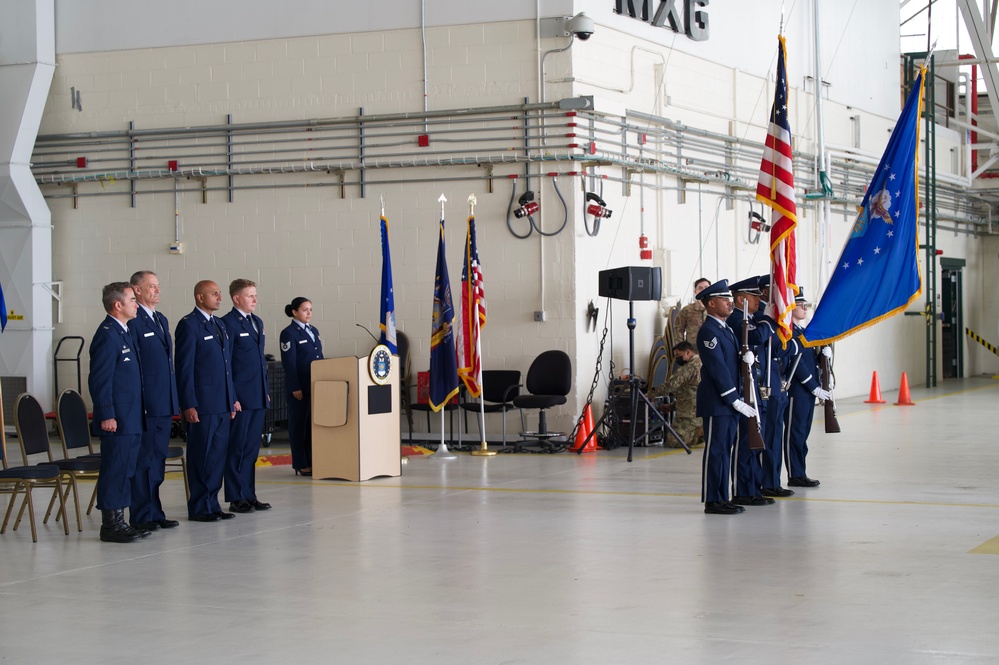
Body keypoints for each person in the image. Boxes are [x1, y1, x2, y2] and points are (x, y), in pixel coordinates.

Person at [175, 280, 238, 522]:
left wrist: (232, 399)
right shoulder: (189, 325)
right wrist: (188, 404)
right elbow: (184, 369)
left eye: (220, 294)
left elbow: (226, 368)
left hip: (222, 403)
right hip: (203, 404)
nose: (219, 298)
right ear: (200, 298)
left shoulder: (220, 325)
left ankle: (212, 503)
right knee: (202, 456)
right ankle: (199, 506)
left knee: (217, 456)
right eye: (214, 294)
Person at [88, 282, 146, 542]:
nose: (137, 303)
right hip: (117, 418)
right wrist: (106, 414)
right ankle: (110, 525)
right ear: (118, 305)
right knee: (115, 469)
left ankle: (121, 521)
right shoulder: (107, 334)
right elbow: (100, 380)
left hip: (131, 415)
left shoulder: (124, 331)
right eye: (132, 300)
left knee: (126, 470)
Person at [695, 279, 757, 515]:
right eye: (724, 300)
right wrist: (734, 399)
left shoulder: (725, 329)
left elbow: (730, 365)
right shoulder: (708, 332)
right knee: (716, 451)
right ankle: (713, 500)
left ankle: (723, 496)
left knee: (726, 450)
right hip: (717, 401)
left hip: (729, 402)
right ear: (711, 304)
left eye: (730, 299)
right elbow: (718, 368)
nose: (730, 304)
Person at [128, 270, 181, 532]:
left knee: (157, 460)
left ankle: (154, 511)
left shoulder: (160, 319)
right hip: (146, 403)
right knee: (144, 461)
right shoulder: (133, 320)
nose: (157, 290)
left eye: (158, 286)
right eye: (151, 286)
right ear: (136, 289)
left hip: (163, 402)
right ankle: (141, 515)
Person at [221, 279, 272, 513]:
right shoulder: (228, 324)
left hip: (257, 395)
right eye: (250, 295)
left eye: (255, 295)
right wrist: (232, 396)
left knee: (251, 449)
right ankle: (235, 496)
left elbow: (259, 362)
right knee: (238, 449)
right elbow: (227, 365)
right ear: (236, 298)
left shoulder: (256, 322)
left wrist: (265, 391)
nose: (255, 299)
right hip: (240, 397)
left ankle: (249, 493)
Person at [726, 276, 776, 508]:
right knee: (746, 442)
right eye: (754, 296)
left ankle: (753, 488)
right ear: (740, 299)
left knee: (756, 442)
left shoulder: (750, 318)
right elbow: (757, 337)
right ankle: (743, 490)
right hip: (744, 389)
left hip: (754, 386)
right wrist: (770, 320)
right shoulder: (737, 319)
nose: (759, 299)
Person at [784, 289, 832, 488]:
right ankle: (794, 474)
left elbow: (811, 361)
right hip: (797, 390)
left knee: (803, 433)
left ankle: (800, 472)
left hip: (808, 391)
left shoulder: (803, 332)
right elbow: (798, 363)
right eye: (801, 304)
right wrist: (813, 386)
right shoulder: (788, 333)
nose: (805, 308)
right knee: (794, 434)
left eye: (805, 304)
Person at [280, 297, 323, 476]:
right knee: (299, 426)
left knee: (312, 426)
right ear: (294, 312)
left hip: (315, 385)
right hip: (300, 388)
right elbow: (289, 363)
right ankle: (301, 462)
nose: (309, 313)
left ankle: (313, 461)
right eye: (304, 310)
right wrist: (295, 387)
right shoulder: (289, 333)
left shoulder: (313, 330)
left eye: (310, 309)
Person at [651, 341, 702, 448]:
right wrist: (672, 406)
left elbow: (670, 385)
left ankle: (699, 432)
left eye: (679, 355)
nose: (677, 359)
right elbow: (690, 393)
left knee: (673, 440)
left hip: (688, 415)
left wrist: (651, 394)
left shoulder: (688, 368)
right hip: (699, 410)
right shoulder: (702, 363)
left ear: (688, 352)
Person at [672, 277, 711, 343]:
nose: (704, 290)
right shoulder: (687, 310)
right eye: (700, 288)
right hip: (693, 351)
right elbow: (678, 330)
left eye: (706, 287)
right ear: (695, 291)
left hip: (712, 349)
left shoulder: (715, 309)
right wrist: (682, 349)